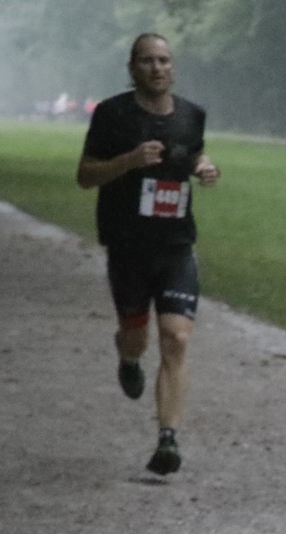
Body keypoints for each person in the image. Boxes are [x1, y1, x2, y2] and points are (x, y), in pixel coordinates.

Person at [76, 32, 219, 476]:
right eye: (147, 61)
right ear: (132, 68)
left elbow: (191, 154)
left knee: (176, 337)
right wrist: (130, 161)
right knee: (136, 337)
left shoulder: (192, 115)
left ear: (173, 67)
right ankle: (128, 357)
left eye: (164, 60)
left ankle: (168, 439)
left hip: (175, 246)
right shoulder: (112, 114)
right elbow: (85, 175)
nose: (157, 68)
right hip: (128, 248)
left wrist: (204, 167)